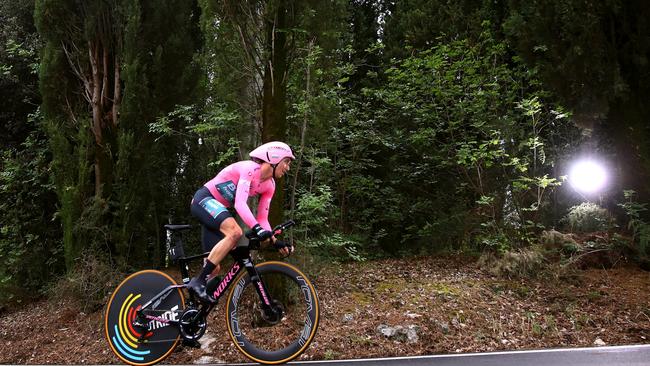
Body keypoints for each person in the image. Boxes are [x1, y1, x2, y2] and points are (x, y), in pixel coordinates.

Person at [187, 141, 295, 303]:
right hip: (204, 199)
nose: (288, 167)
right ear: (274, 158)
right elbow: (239, 204)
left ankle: (190, 313)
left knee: (214, 268)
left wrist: (275, 241)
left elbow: (262, 219)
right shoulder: (250, 169)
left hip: (216, 211)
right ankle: (198, 282)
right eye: (286, 162)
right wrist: (257, 229)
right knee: (235, 232)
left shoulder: (269, 186)